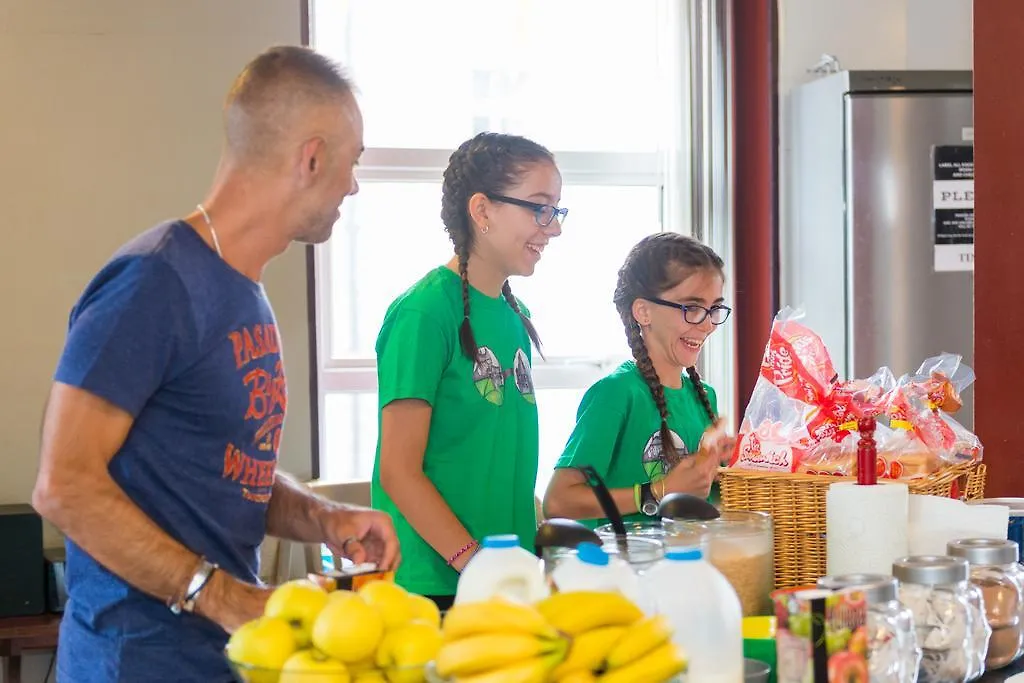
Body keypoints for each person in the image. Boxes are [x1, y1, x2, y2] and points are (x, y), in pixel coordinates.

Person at [32, 46, 399, 682]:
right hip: (132, 665)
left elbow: (229, 474)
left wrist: (324, 518)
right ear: (311, 159)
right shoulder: (153, 280)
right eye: (352, 162)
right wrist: (226, 598)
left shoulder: (244, 294)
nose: (353, 185)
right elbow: (63, 485)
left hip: (216, 662)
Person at [372, 132, 565, 609]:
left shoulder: (515, 315)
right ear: (482, 211)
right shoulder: (423, 314)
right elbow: (398, 471)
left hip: (501, 581)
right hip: (435, 586)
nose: (553, 227)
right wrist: (474, 562)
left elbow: (495, 458)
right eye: (539, 208)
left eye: (556, 210)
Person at [543, 232, 735, 528]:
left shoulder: (705, 397)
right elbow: (558, 502)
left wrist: (725, 470)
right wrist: (657, 492)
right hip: (623, 571)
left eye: (714, 309)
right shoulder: (615, 395)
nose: (708, 324)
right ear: (643, 311)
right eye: (692, 308)